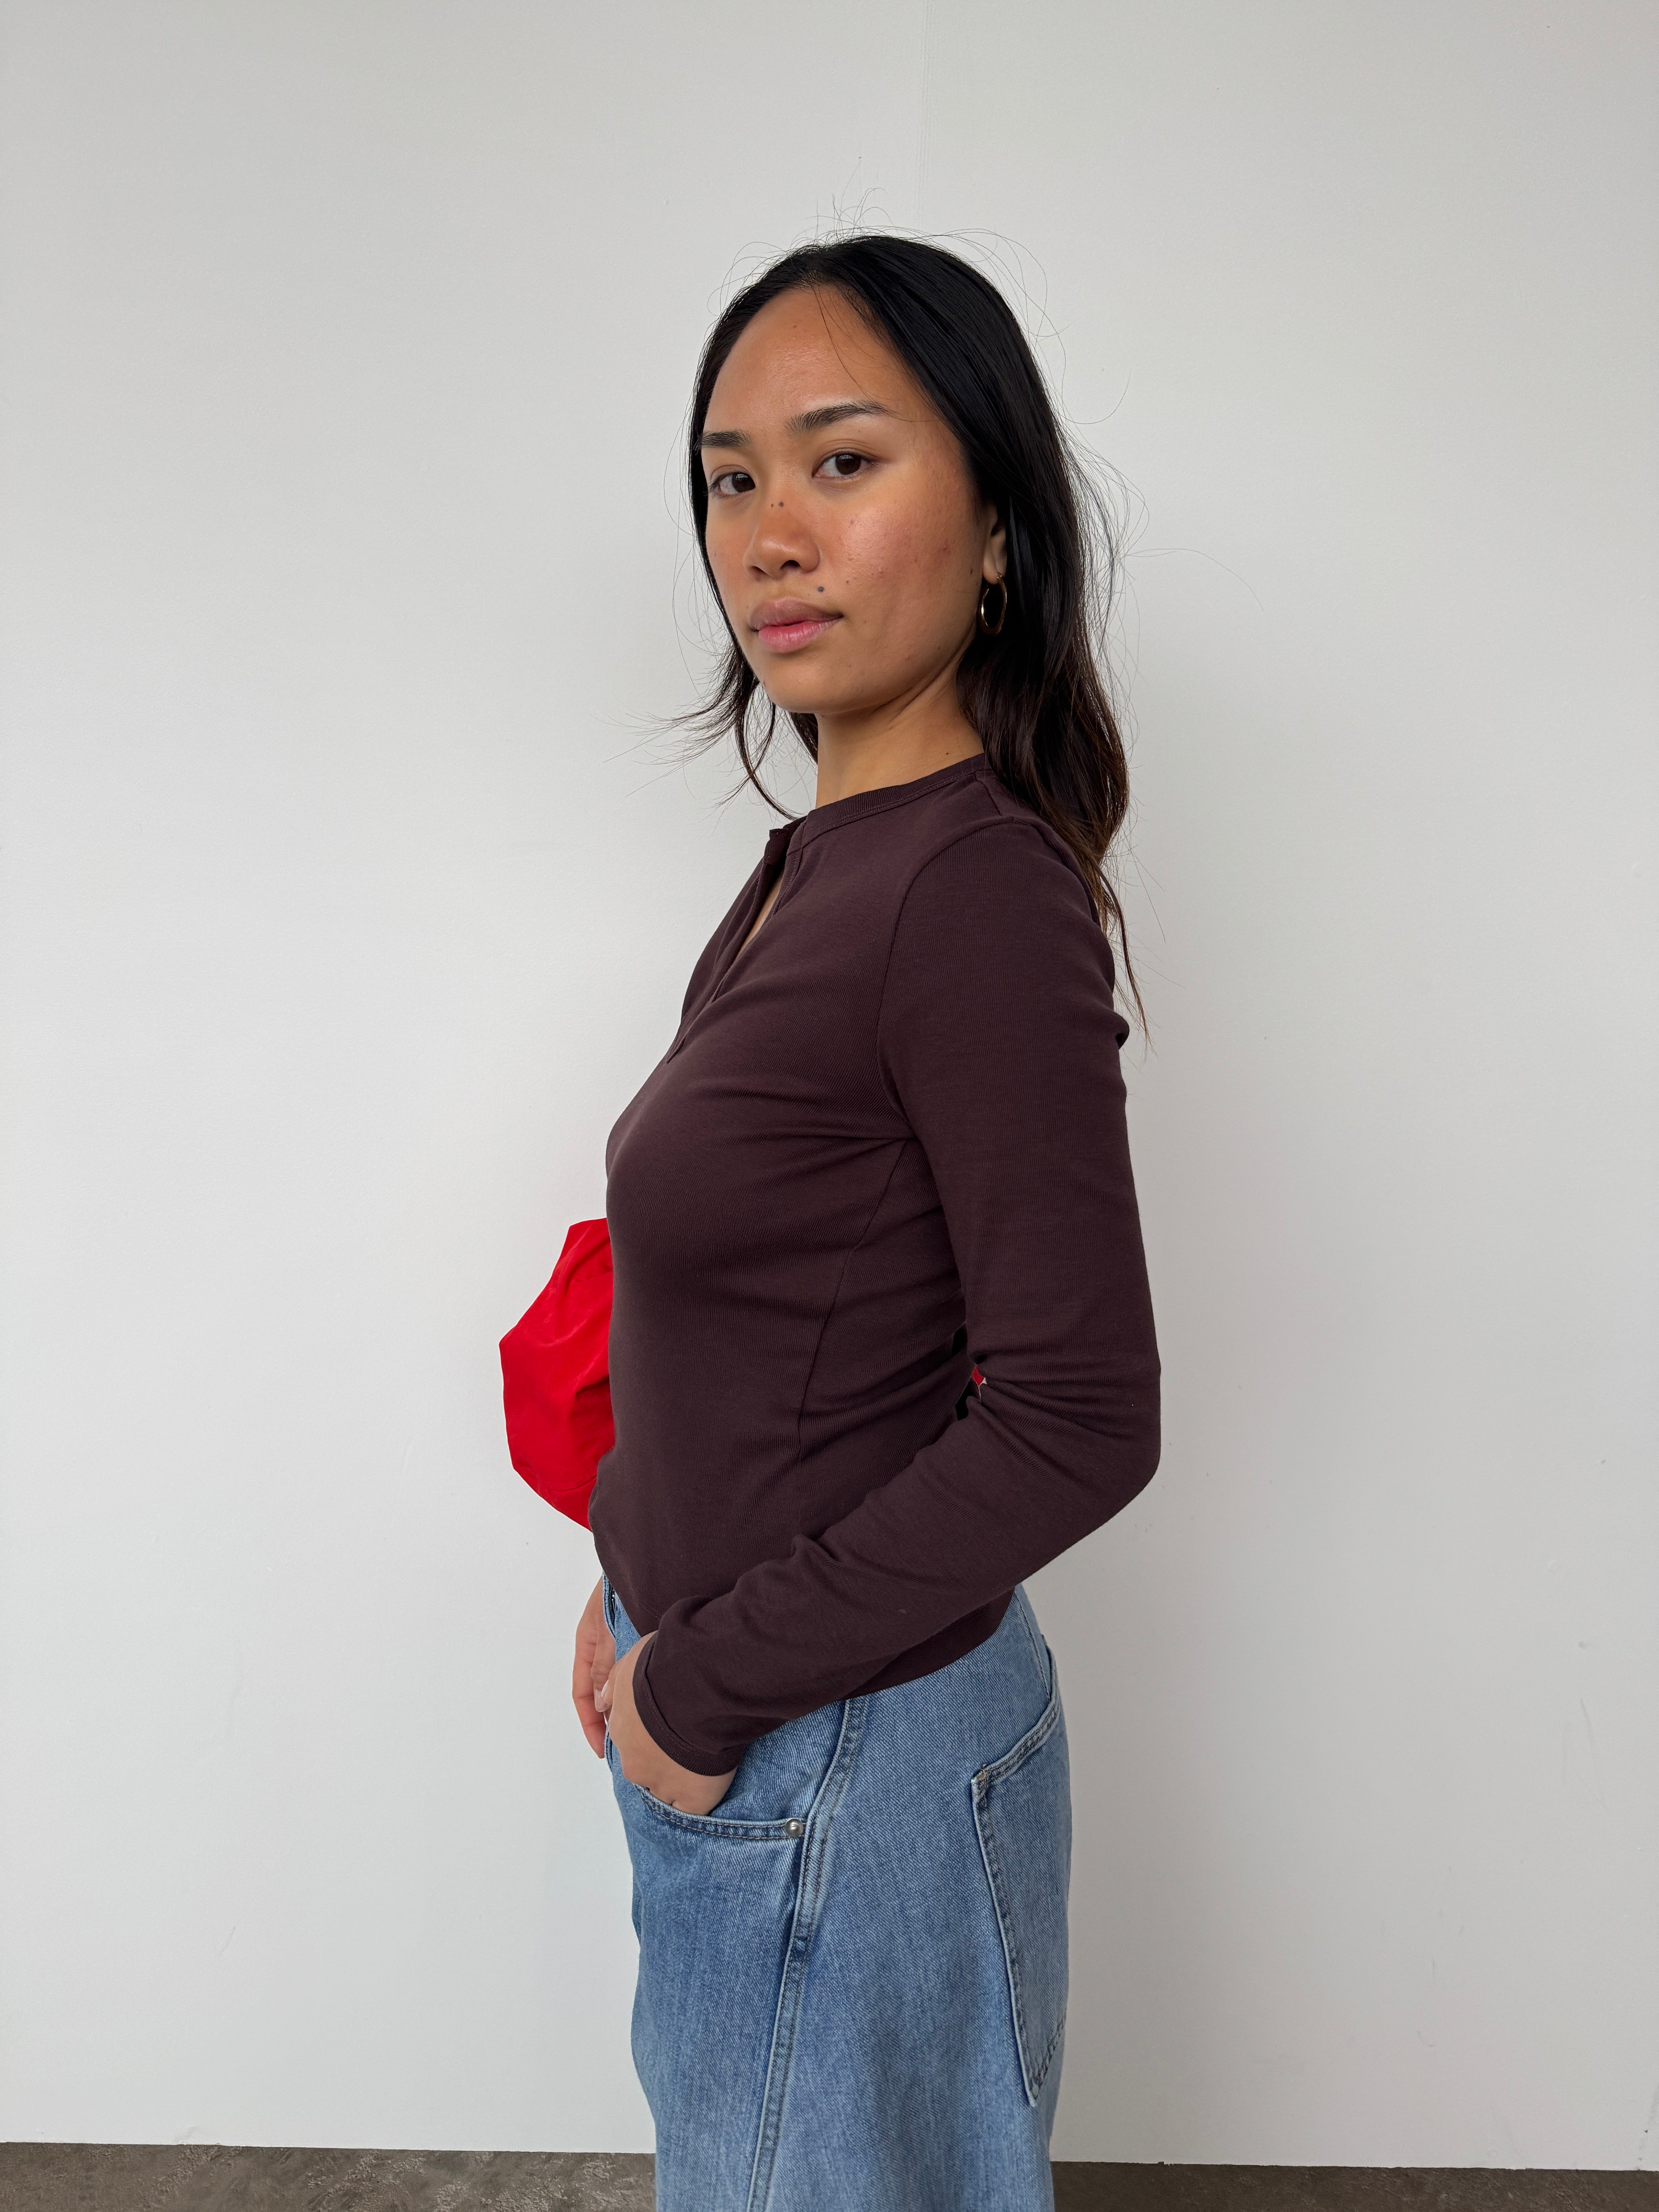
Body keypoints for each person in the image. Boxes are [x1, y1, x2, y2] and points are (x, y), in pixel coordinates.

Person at [567, 234, 1160, 2212]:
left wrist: (701, 1680)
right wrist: (632, 1566)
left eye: (843, 461)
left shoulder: (967, 896)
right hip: (771, 1730)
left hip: (844, 1764)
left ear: (996, 528)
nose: (770, 535)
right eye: (731, 479)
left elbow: (1080, 1414)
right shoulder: (820, 867)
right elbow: (772, 1312)